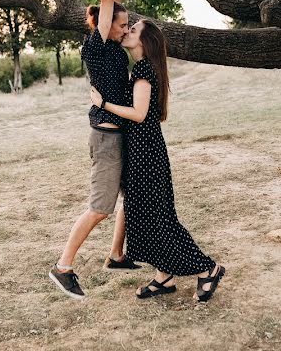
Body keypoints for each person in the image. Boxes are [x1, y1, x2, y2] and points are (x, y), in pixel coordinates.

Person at [90, 19, 226, 302]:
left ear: (145, 41)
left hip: (146, 154)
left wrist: (102, 104)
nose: (127, 31)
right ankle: (164, 277)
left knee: (160, 220)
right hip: (142, 150)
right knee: (146, 217)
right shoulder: (142, 69)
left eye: (133, 30)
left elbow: (139, 114)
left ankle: (208, 268)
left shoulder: (143, 70)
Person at [49, 0, 140, 301]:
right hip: (106, 135)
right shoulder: (98, 46)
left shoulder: (113, 45)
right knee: (101, 206)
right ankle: (63, 267)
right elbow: (107, 0)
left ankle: (116, 255)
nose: (125, 28)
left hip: (122, 131)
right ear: (103, 26)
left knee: (131, 197)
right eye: (121, 25)